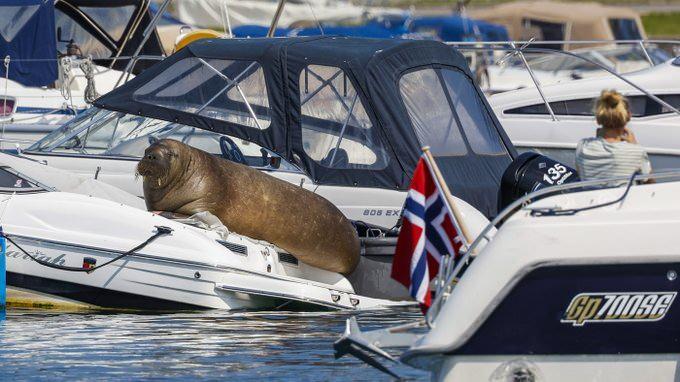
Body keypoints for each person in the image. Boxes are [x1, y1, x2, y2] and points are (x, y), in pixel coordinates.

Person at [575, 90, 652, 182]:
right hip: (622, 196)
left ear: (598, 119)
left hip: (591, 196)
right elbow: (649, 184)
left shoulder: (583, 146)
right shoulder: (636, 151)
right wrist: (634, 145)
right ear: (628, 116)